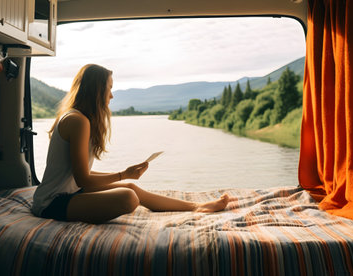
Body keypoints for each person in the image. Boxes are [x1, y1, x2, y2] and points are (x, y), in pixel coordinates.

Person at [31, 64, 229, 224]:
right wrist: (122, 174)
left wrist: (124, 176)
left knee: (130, 188)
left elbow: (79, 176)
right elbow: (82, 179)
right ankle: (197, 207)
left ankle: (197, 207)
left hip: (69, 192)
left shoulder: (80, 119)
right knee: (128, 197)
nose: (111, 95)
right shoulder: (77, 121)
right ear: (97, 90)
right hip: (51, 203)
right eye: (109, 88)